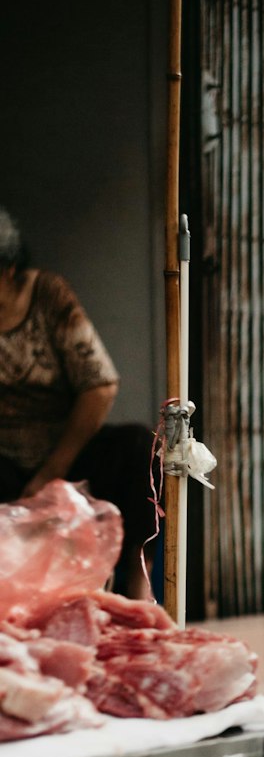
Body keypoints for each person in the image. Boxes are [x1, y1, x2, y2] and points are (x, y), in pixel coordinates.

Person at [0, 207, 156, 599]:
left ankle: (138, 584)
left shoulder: (48, 296)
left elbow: (99, 385)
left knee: (140, 445)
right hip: (4, 464)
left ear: (8, 269)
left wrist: (51, 472)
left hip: (66, 456)